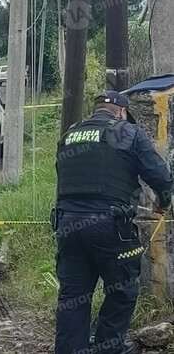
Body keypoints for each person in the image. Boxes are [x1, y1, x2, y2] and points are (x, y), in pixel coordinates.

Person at [54, 91, 173, 354]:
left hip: (67, 225)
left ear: (97, 109)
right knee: (122, 291)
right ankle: (108, 348)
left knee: (73, 297)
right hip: (110, 227)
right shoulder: (129, 132)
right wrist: (162, 203)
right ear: (121, 112)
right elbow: (161, 176)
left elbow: (63, 178)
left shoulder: (70, 135)